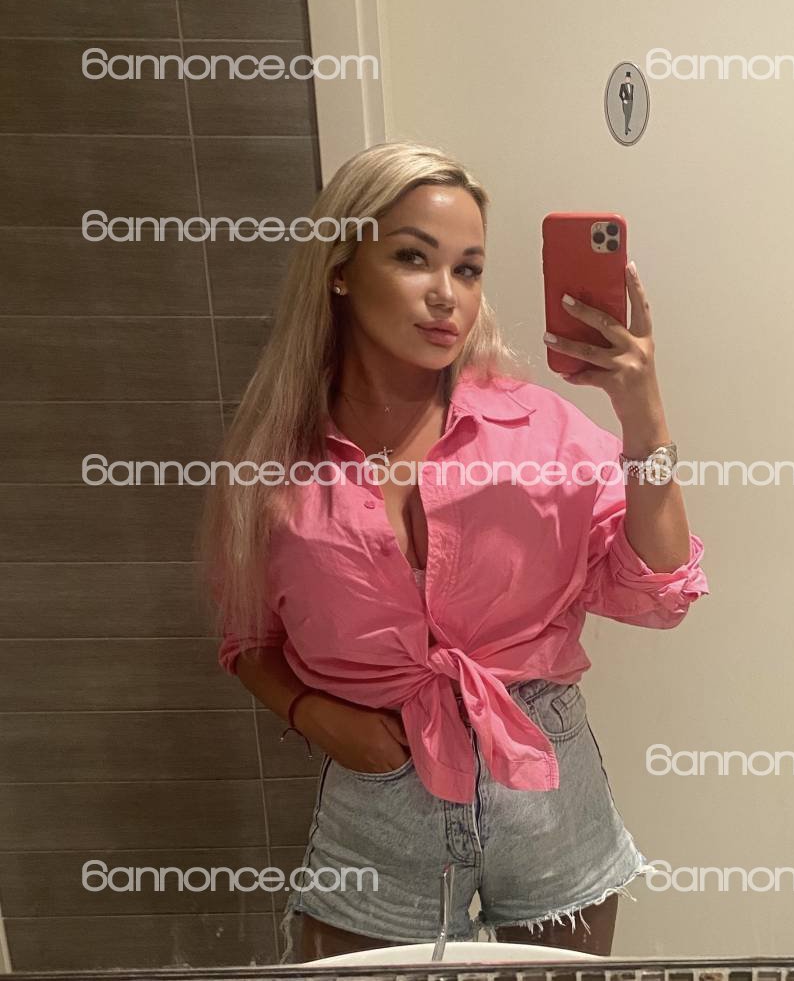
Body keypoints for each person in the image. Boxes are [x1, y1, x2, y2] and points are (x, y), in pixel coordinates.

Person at [199, 140, 709, 962]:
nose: (447, 294)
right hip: (377, 789)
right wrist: (315, 715)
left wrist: (642, 413)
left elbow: (660, 590)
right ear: (341, 268)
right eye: (413, 258)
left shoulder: (536, 429)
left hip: (542, 776)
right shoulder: (276, 462)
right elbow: (248, 640)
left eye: (468, 269)